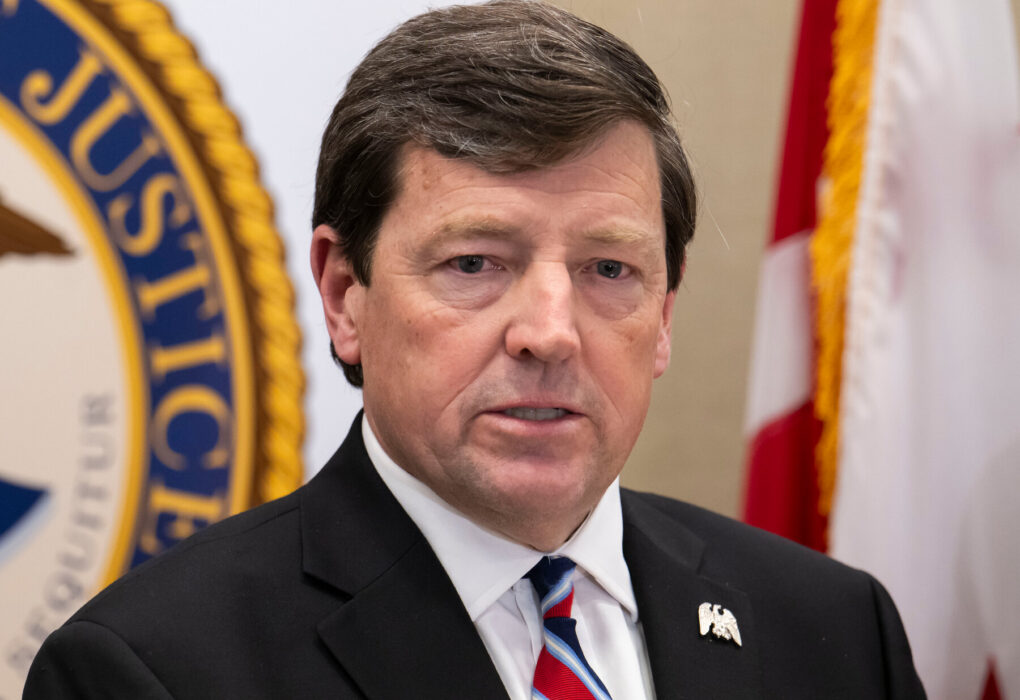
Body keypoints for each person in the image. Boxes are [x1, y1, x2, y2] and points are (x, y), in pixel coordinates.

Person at [24, 1, 926, 697]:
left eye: (609, 269)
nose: (550, 332)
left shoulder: (837, 632)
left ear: (664, 314)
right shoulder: (152, 670)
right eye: (475, 263)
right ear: (343, 294)